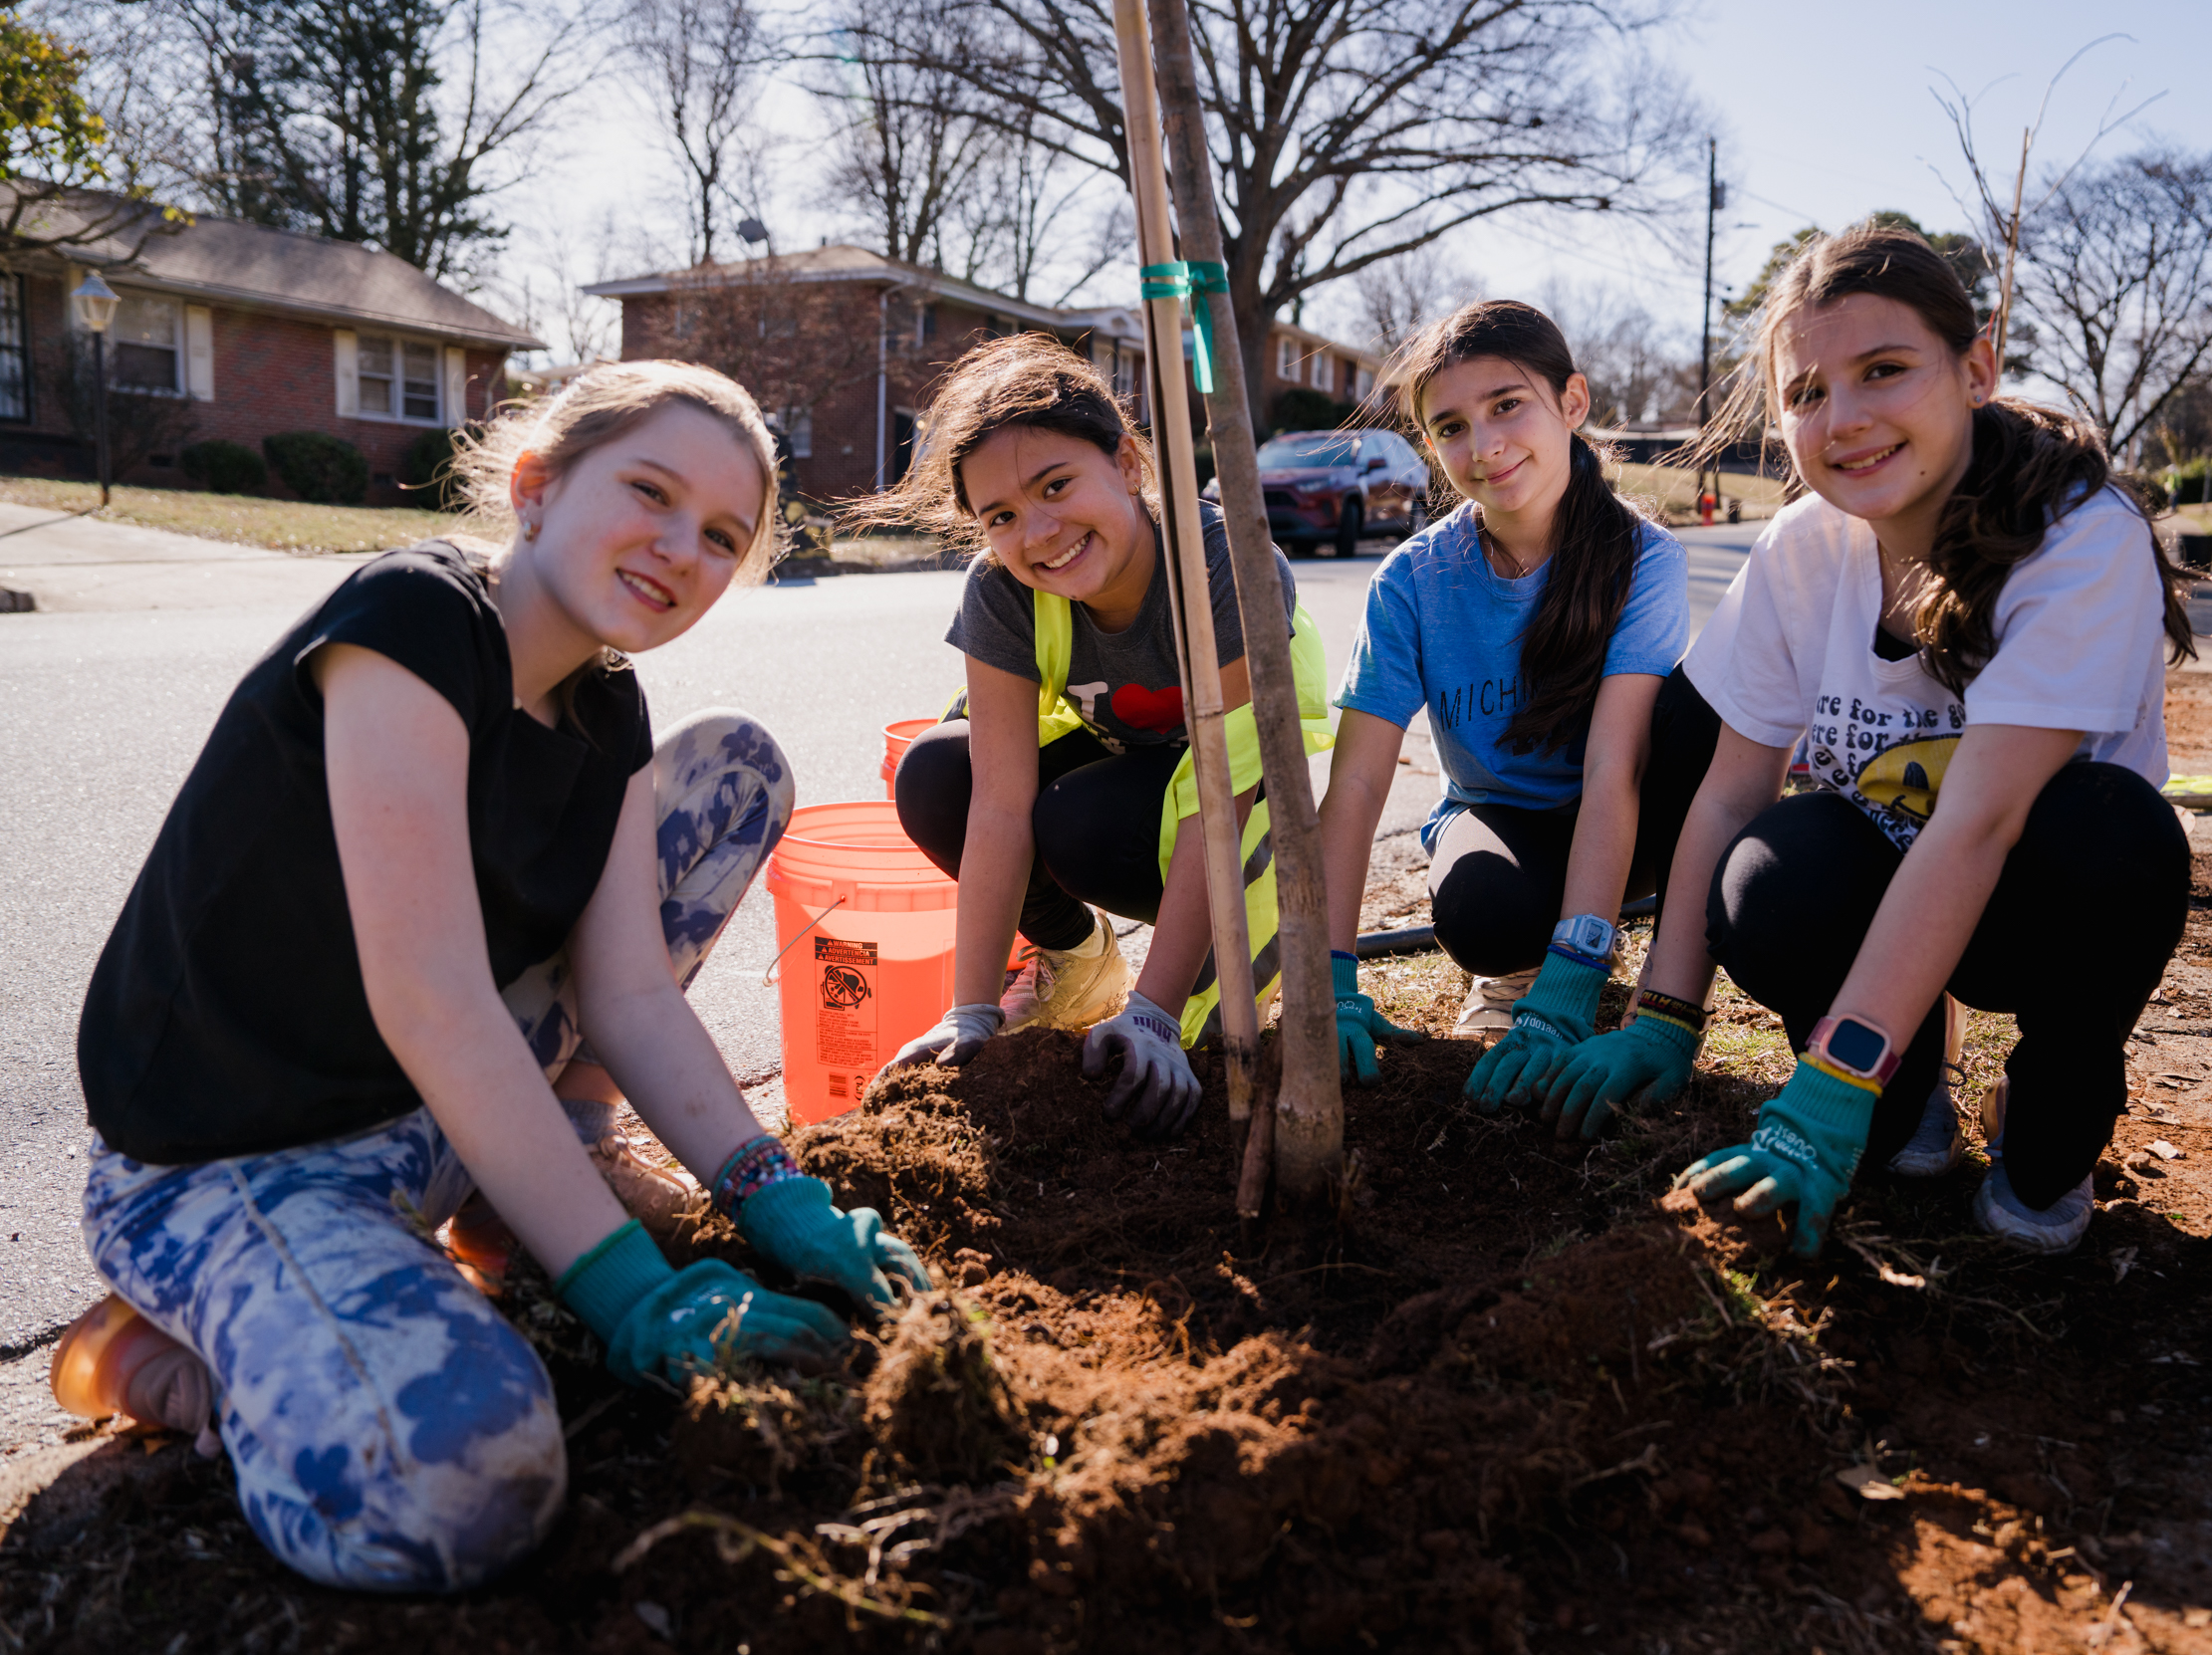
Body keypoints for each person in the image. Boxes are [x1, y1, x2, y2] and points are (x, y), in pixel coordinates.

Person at [64, 360, 927, 1593]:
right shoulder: (412, 622)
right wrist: (629, 1290)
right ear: (534, 489)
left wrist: (772, 1194)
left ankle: (524, 1194)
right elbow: (434, 997)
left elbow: (628, 994)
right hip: (231, 1161)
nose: (682, 546)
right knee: (463, 1484)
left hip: (432, 1115)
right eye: (650, 490)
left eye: (723, 536)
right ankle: (166, 1357)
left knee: (735, 768)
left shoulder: (607, 710)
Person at [1541, 224, 2197, 1255]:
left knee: (2115, 832)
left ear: (1974, 368)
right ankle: (1910, 1076)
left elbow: (1980, 823)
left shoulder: (2079, 535)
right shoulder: (1805, 545)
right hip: (1894, 883)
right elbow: (1727, 791)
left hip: (2043, 901)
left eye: (1882, 371)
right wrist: (1664, 1012)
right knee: (1767, 874)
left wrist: (1832, 1080)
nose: (1841, 420)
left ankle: (2048, 1089)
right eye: (1805, 393)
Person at [867, 335, 1328, 1137]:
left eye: (1056, 485)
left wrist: (1154, 1010)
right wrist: (969, 1011)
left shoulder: (1224, 565)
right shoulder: (1001, 590)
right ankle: (1078, 960)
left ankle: (1164, 983)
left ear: (1128, 465)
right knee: (939, 772)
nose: (1037, 532)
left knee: (1197, 1036)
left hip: (1236, 822)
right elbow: (1001, 805)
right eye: (1000, 516)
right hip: (1121, 779)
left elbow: (1221, 793)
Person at [1318, 300, 1712, 1113]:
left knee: (1705, 718)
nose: (1485, 445)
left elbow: (1614, 766)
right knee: (1481, 910)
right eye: (1451, 425)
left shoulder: (1644, 556)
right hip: (1504, 817)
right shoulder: (1414, 578)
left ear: (1572, 403)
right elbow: (1356, 785)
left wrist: (1578, 974)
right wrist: (1329, 970)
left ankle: (1653, 987)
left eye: (1507, 405)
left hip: (1628, 811)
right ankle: (1516, 967)